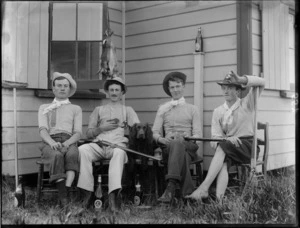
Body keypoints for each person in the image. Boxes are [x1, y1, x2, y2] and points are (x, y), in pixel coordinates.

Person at [186, 71, 265, 201]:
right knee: (222, 159)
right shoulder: (218, 111)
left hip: (248, 147)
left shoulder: (247, 103)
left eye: (230, 87)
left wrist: (240, 79)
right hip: (229, 147)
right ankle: (219, 201)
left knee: (223, 147)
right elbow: (215, 138)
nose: (226, 91)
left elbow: (262, 82)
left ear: (238, 91)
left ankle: (203, 188)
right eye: (224, 88)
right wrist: (227, 139)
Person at [77, 76, 140, 212]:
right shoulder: (98, 110)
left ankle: (113, 198)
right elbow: (88, 134)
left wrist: (128, 138)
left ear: (122, 92)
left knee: (119, 153)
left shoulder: (127, 110)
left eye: (117, 89)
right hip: (99, 145)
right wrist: (101, 129)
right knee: (82, 150)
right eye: (111, 89)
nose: (114, 92)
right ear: (107, 92)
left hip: (117, 146)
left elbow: (137, 130)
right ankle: (87, 194)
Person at [152, 72, 202, 203]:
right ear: (169, 89)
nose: (175, 90)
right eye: (172, 87)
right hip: (169, 146)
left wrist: (189, 136)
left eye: (178, 86)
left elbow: (198, 134)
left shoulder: (193, 109)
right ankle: (188, 195)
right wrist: (161, 139)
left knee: (179, 142)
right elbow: (155, 132)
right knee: (178, 147)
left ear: (184, 86)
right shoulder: (163, 109)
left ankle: (171, 186)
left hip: (189, 144)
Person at [38, 72, 82, 207]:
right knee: (57, 155)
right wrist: (52, 143)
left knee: (73, 154)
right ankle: (64, 199)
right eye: (59, 86)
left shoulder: (76, 108)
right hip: (49, 141)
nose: (62, 88)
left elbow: (78, 133)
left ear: (69, 89)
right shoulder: (44, 108)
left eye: (65, 86)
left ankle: (66, 191)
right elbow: (43, 130)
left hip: (69, 140)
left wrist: (67, 144)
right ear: (54, 88)